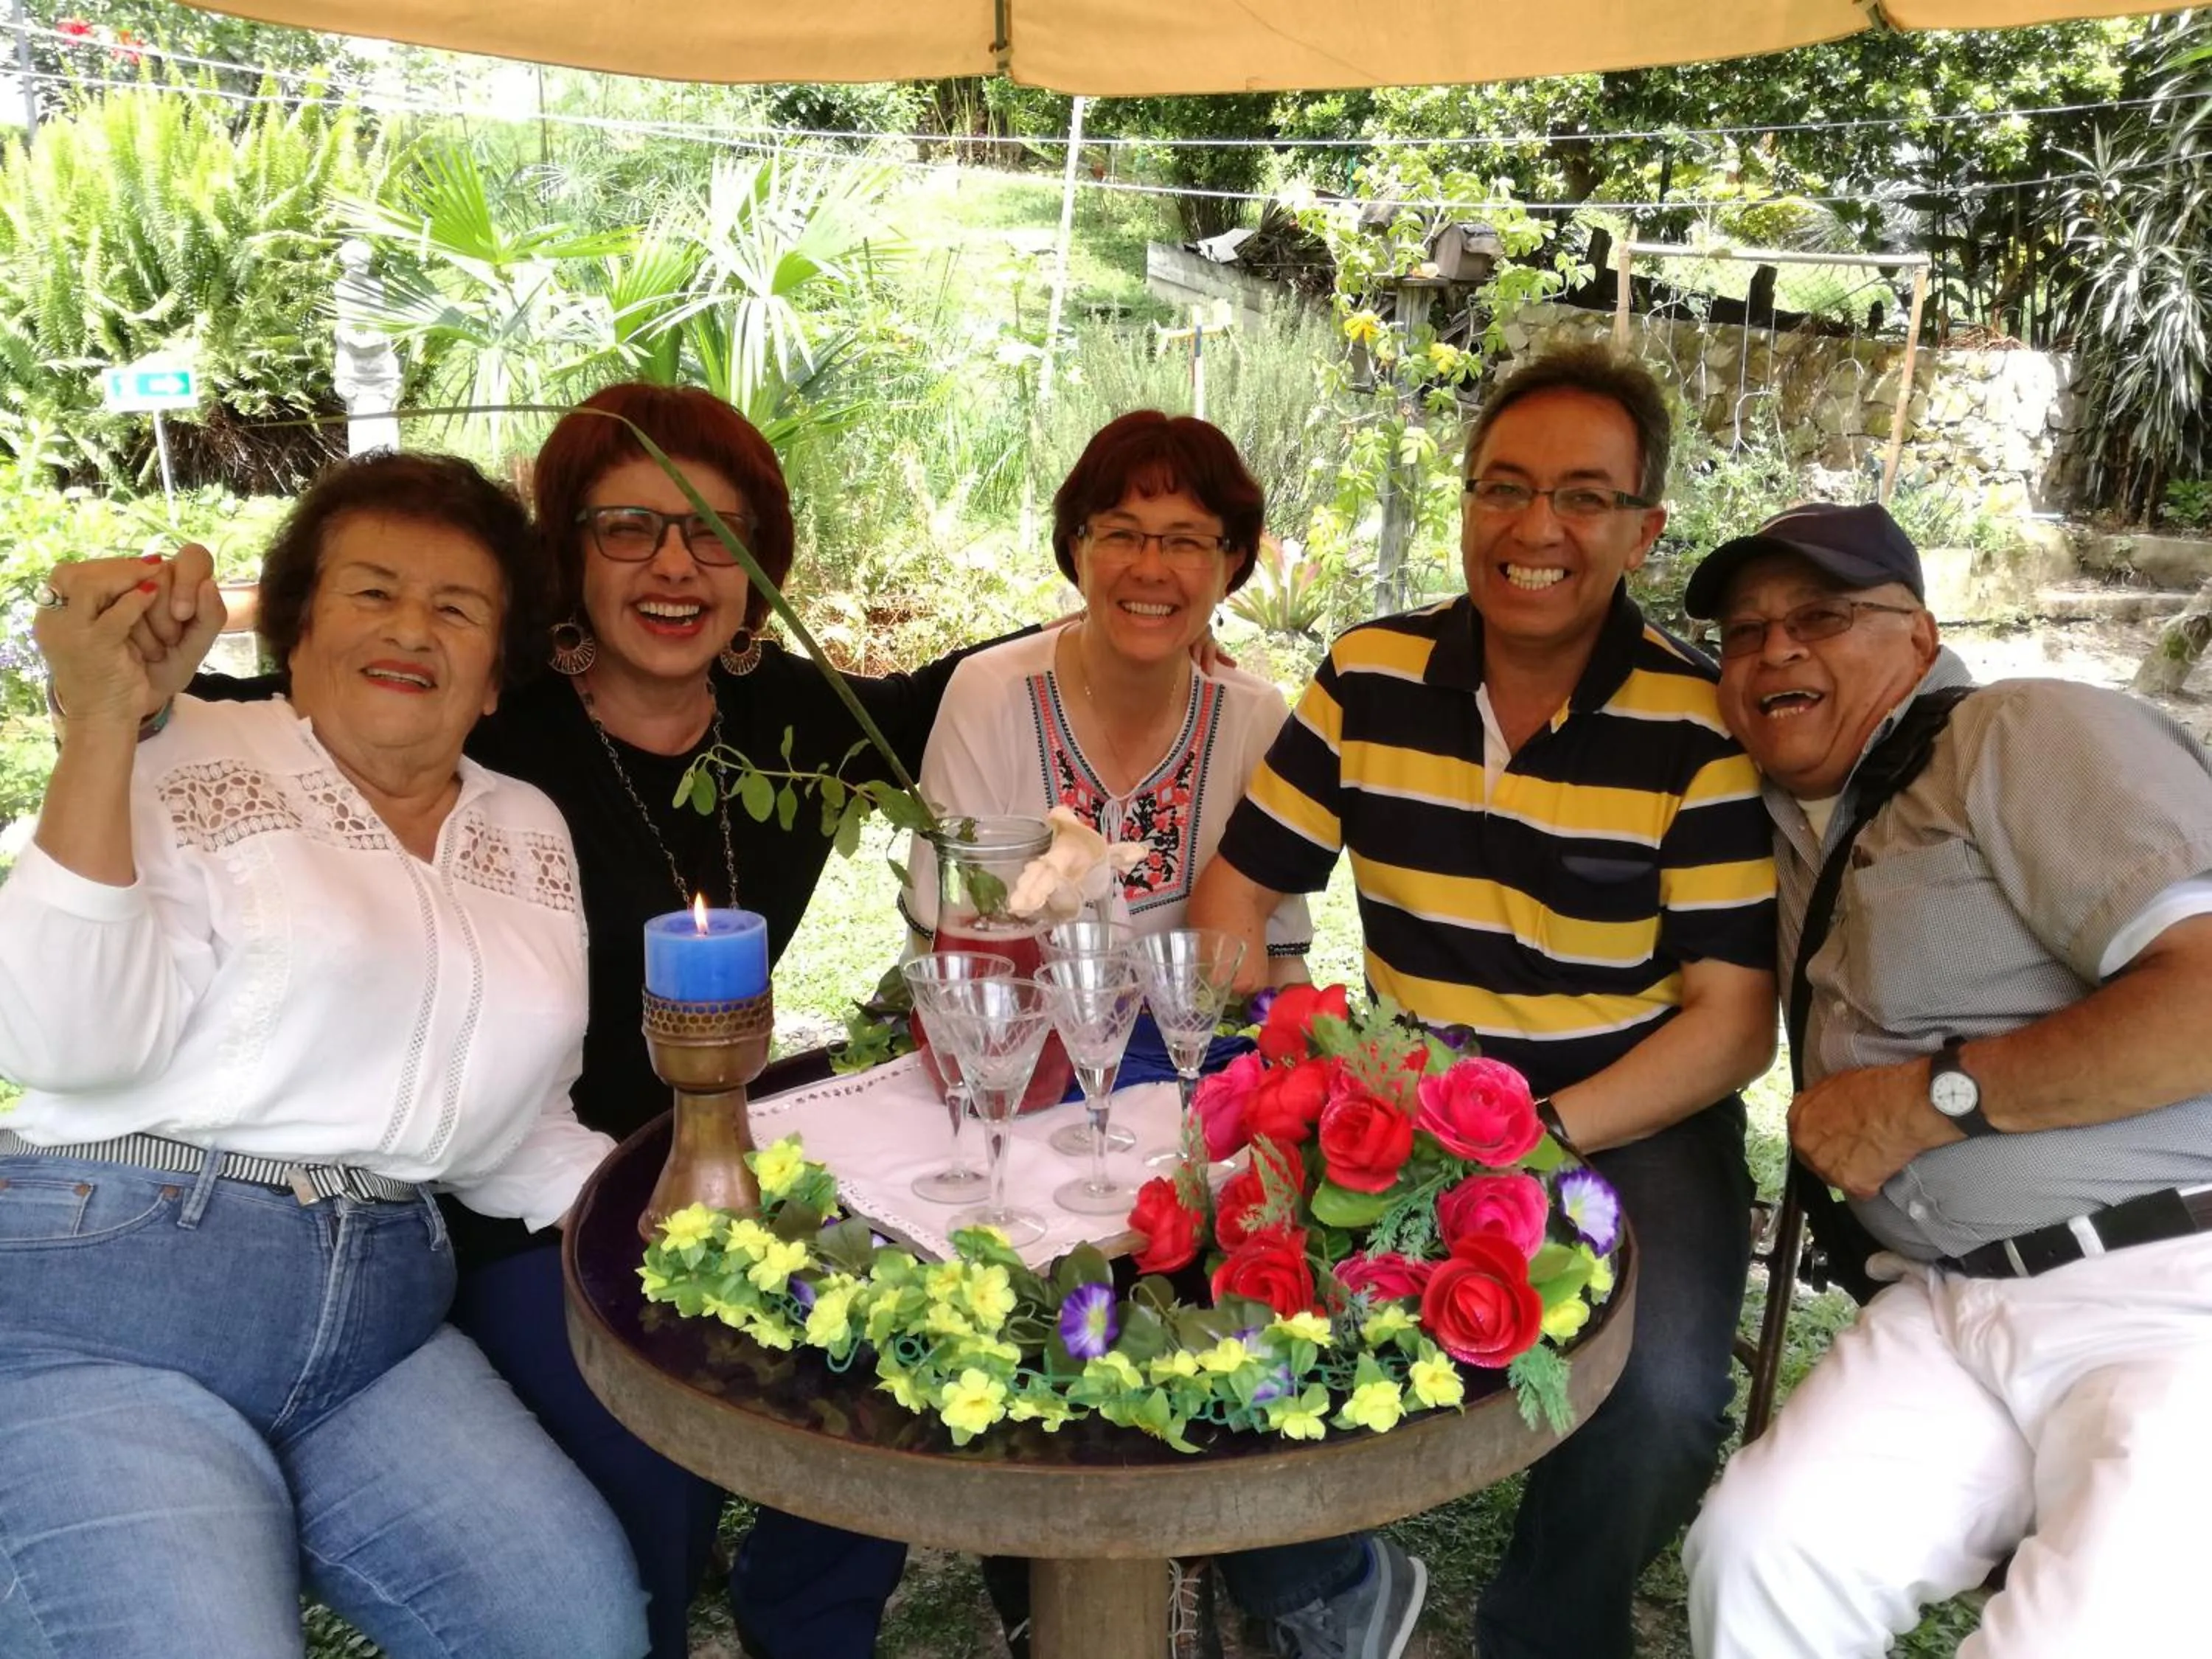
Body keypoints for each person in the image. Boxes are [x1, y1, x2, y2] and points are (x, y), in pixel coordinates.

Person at [0, 452, 647, 1659]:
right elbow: (58, 1041)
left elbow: (518, 1135)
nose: (412, 627)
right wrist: (102, 719)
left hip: (377, 1324)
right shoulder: (176, 742)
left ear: (496, 675)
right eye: (371, 592)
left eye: (457, 608)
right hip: (111, 1294)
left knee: (574, 1631)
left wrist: (689, 1229)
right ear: (297, 631)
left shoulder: (523, 827)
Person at [1191, 344, 1779, 1659]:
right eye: (1503, 487)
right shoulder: (1371, 674)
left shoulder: (1700, 724)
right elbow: (1230, 905)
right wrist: (1287, 1048)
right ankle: (1322, 1590)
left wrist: (1539, 1129)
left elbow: (1736, 1021)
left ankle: (1545, 1630)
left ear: (1643, 530)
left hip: (1630, 1111)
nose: (1535, 529)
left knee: (1664, 1397)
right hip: (1401, 1096)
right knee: (1231, 1285)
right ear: (1464, 501)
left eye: (1583, 497)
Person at [1680, 502, 2212, 1658]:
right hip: (1946, 1304)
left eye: (1821, 615)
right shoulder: (1778, 820)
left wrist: (1936, 1097)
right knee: (1763, 1550)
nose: (1775, 649)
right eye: (1744, 632)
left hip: (2170, 1287)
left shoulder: (2023, 734)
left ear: (1919, 639)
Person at [903, 409, 1311, 971]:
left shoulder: (1252, 718)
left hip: (1194, 1053)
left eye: (1185, 542)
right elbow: (945, 949)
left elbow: (1280, 965)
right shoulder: (990, 694)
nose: (1150, 568)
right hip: (1006, 1044)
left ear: (1231, 563)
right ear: (1077, 551)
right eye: (1121, 535)